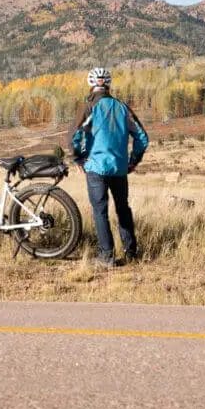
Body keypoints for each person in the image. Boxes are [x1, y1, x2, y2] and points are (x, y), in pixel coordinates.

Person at [71, 67, 149, 267]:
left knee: (100, 210)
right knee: (123, 209)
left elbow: (75, 135)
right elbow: (142, 137)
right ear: (108, 84)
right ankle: (131, 253)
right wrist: (133, 161)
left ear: (91, 84)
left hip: (96, 167)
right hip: (120, 168)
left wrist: (78, 159)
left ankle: (106, 256)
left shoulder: (89, 106)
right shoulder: (122, 107)